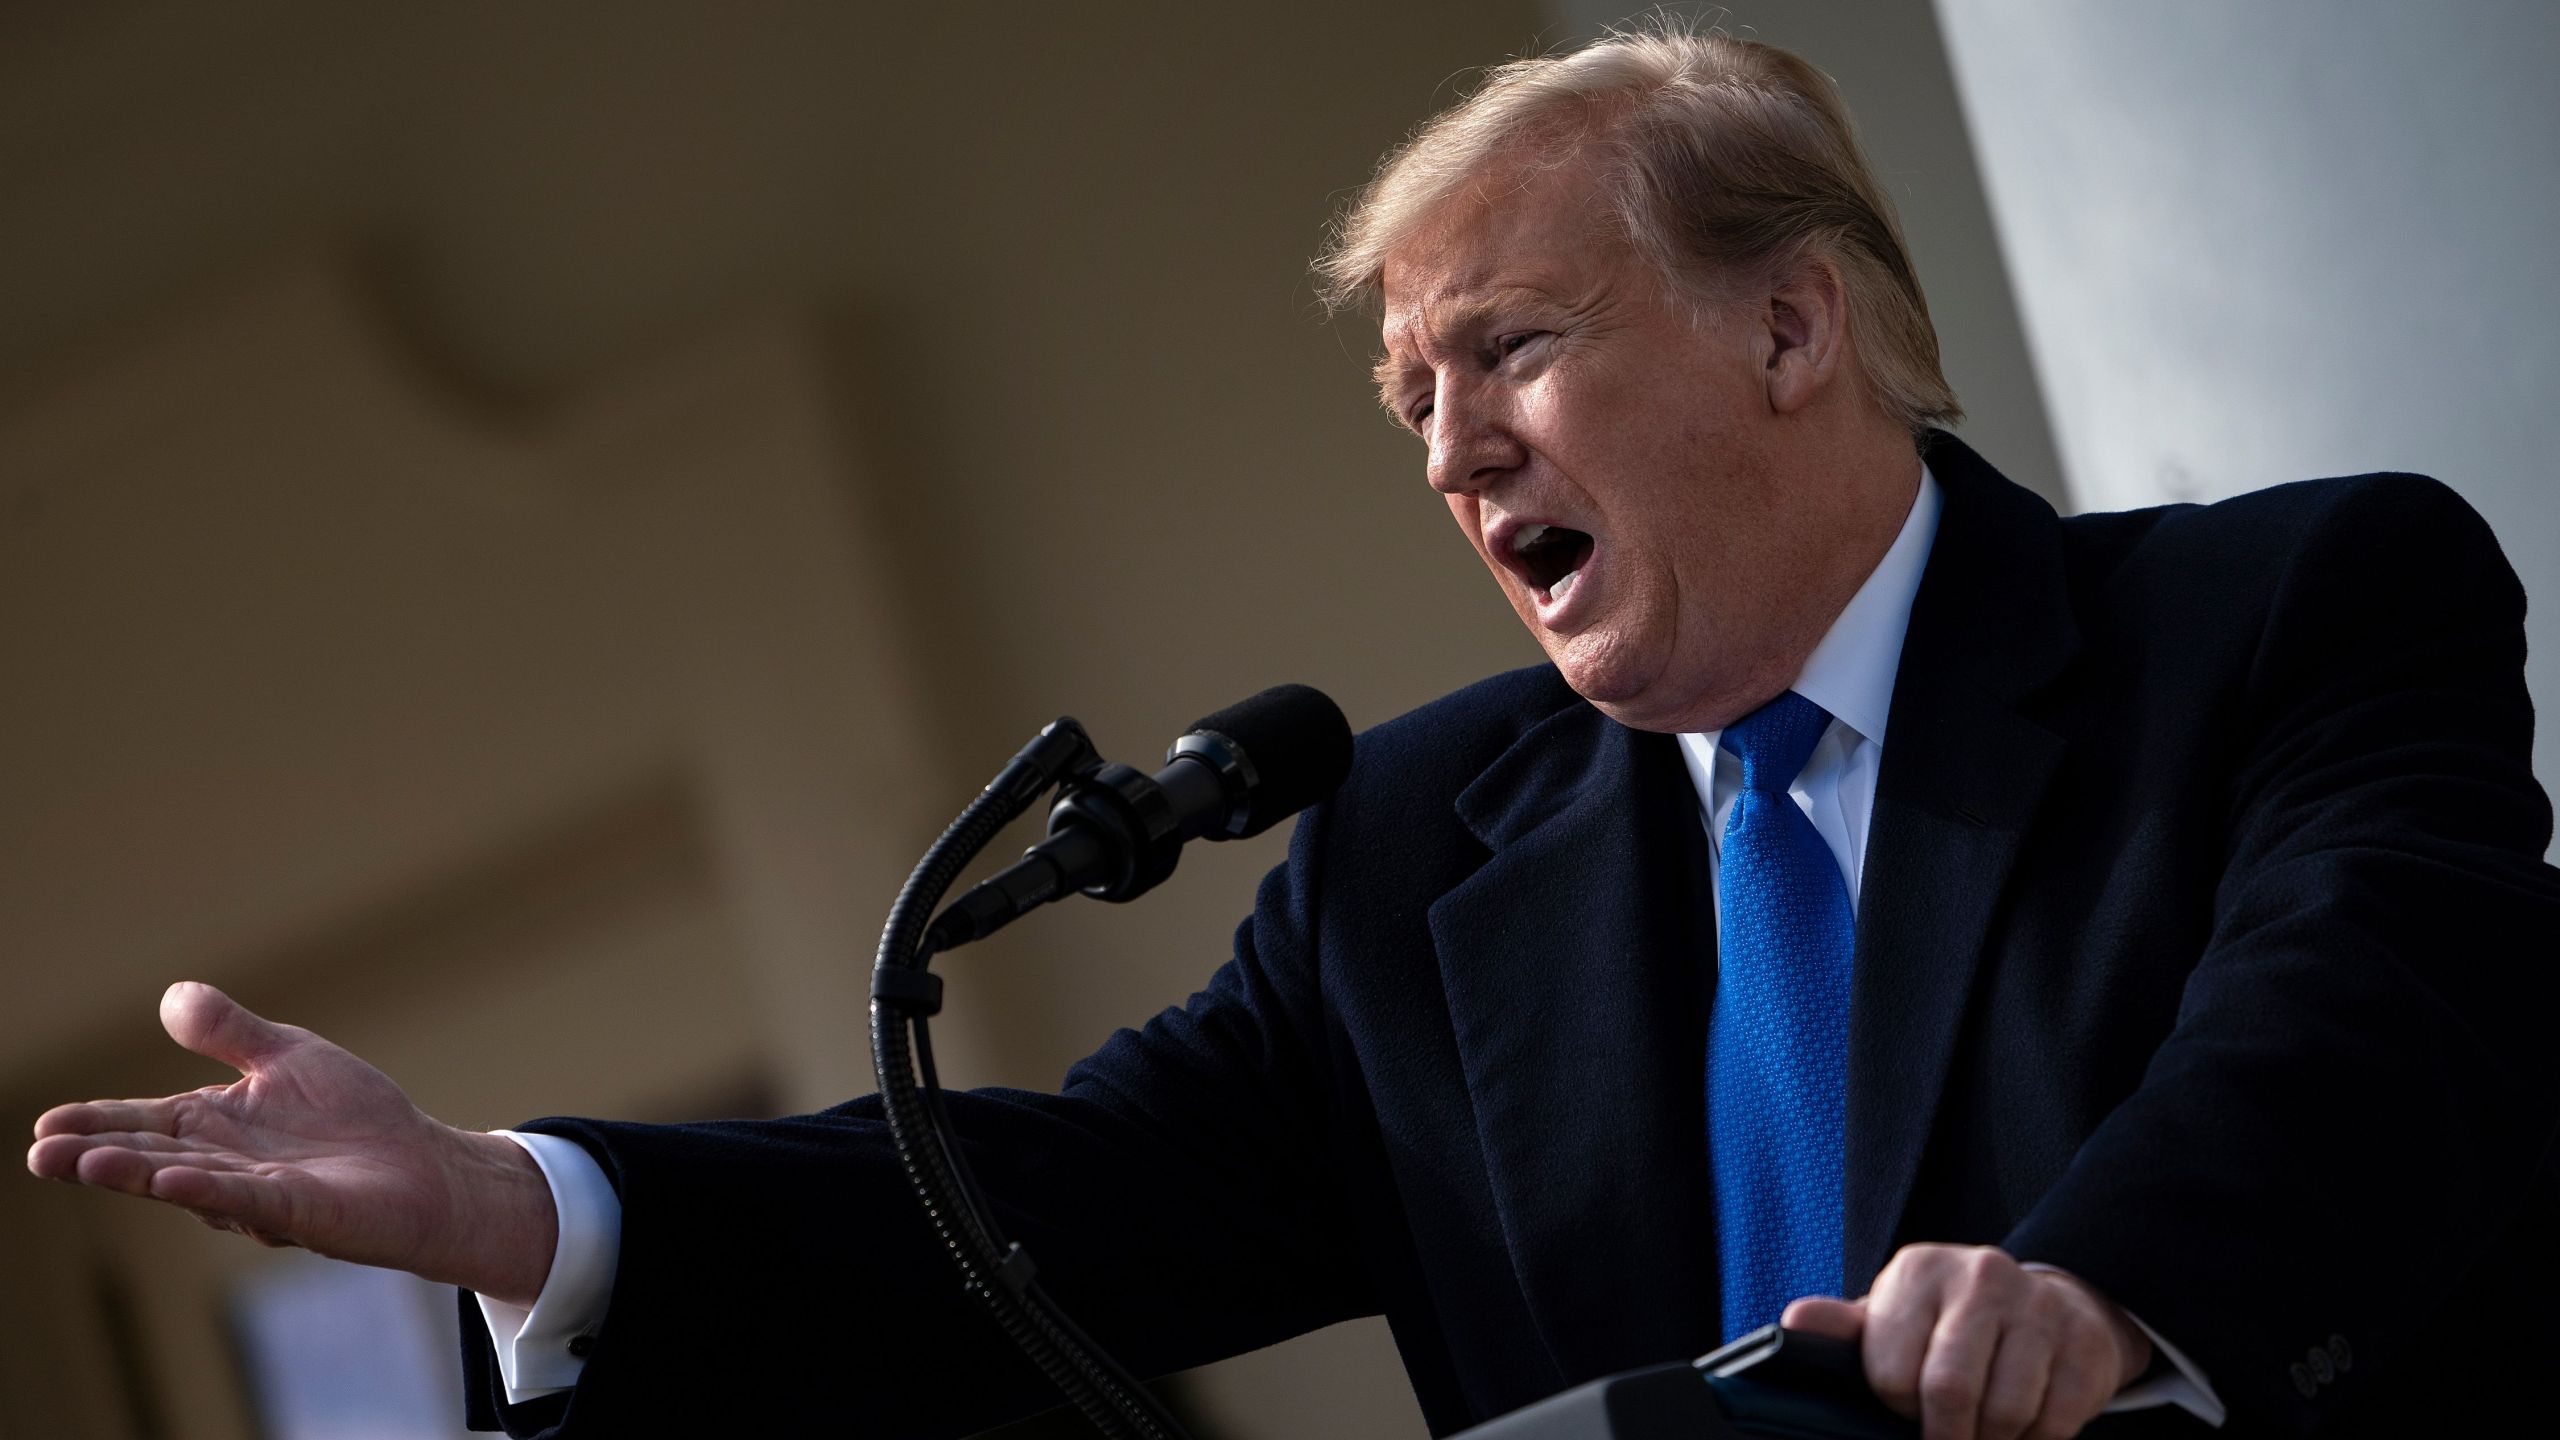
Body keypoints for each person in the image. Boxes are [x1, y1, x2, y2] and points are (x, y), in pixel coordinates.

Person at [27, 27, 2559, 1440]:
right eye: (1405, 397)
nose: (1447, 452)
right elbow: (1055, 1206)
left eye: (1511, 352)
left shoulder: (2283, 614)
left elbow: (2358, 1021)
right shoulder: (1415, 859)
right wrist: (512, 1205)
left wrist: (2094, 1292)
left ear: (1787, 332)